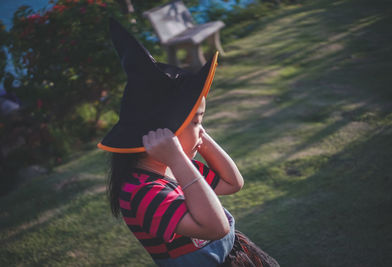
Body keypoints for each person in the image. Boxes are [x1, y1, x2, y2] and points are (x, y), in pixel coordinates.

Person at [98, 18, 279, 267]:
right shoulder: (141, 191)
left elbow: (232, 183)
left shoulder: (176, 168)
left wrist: (199, 138)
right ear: (164, 134)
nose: (202, 129)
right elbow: (216, 227)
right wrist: (176, 157)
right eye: (195, 122)